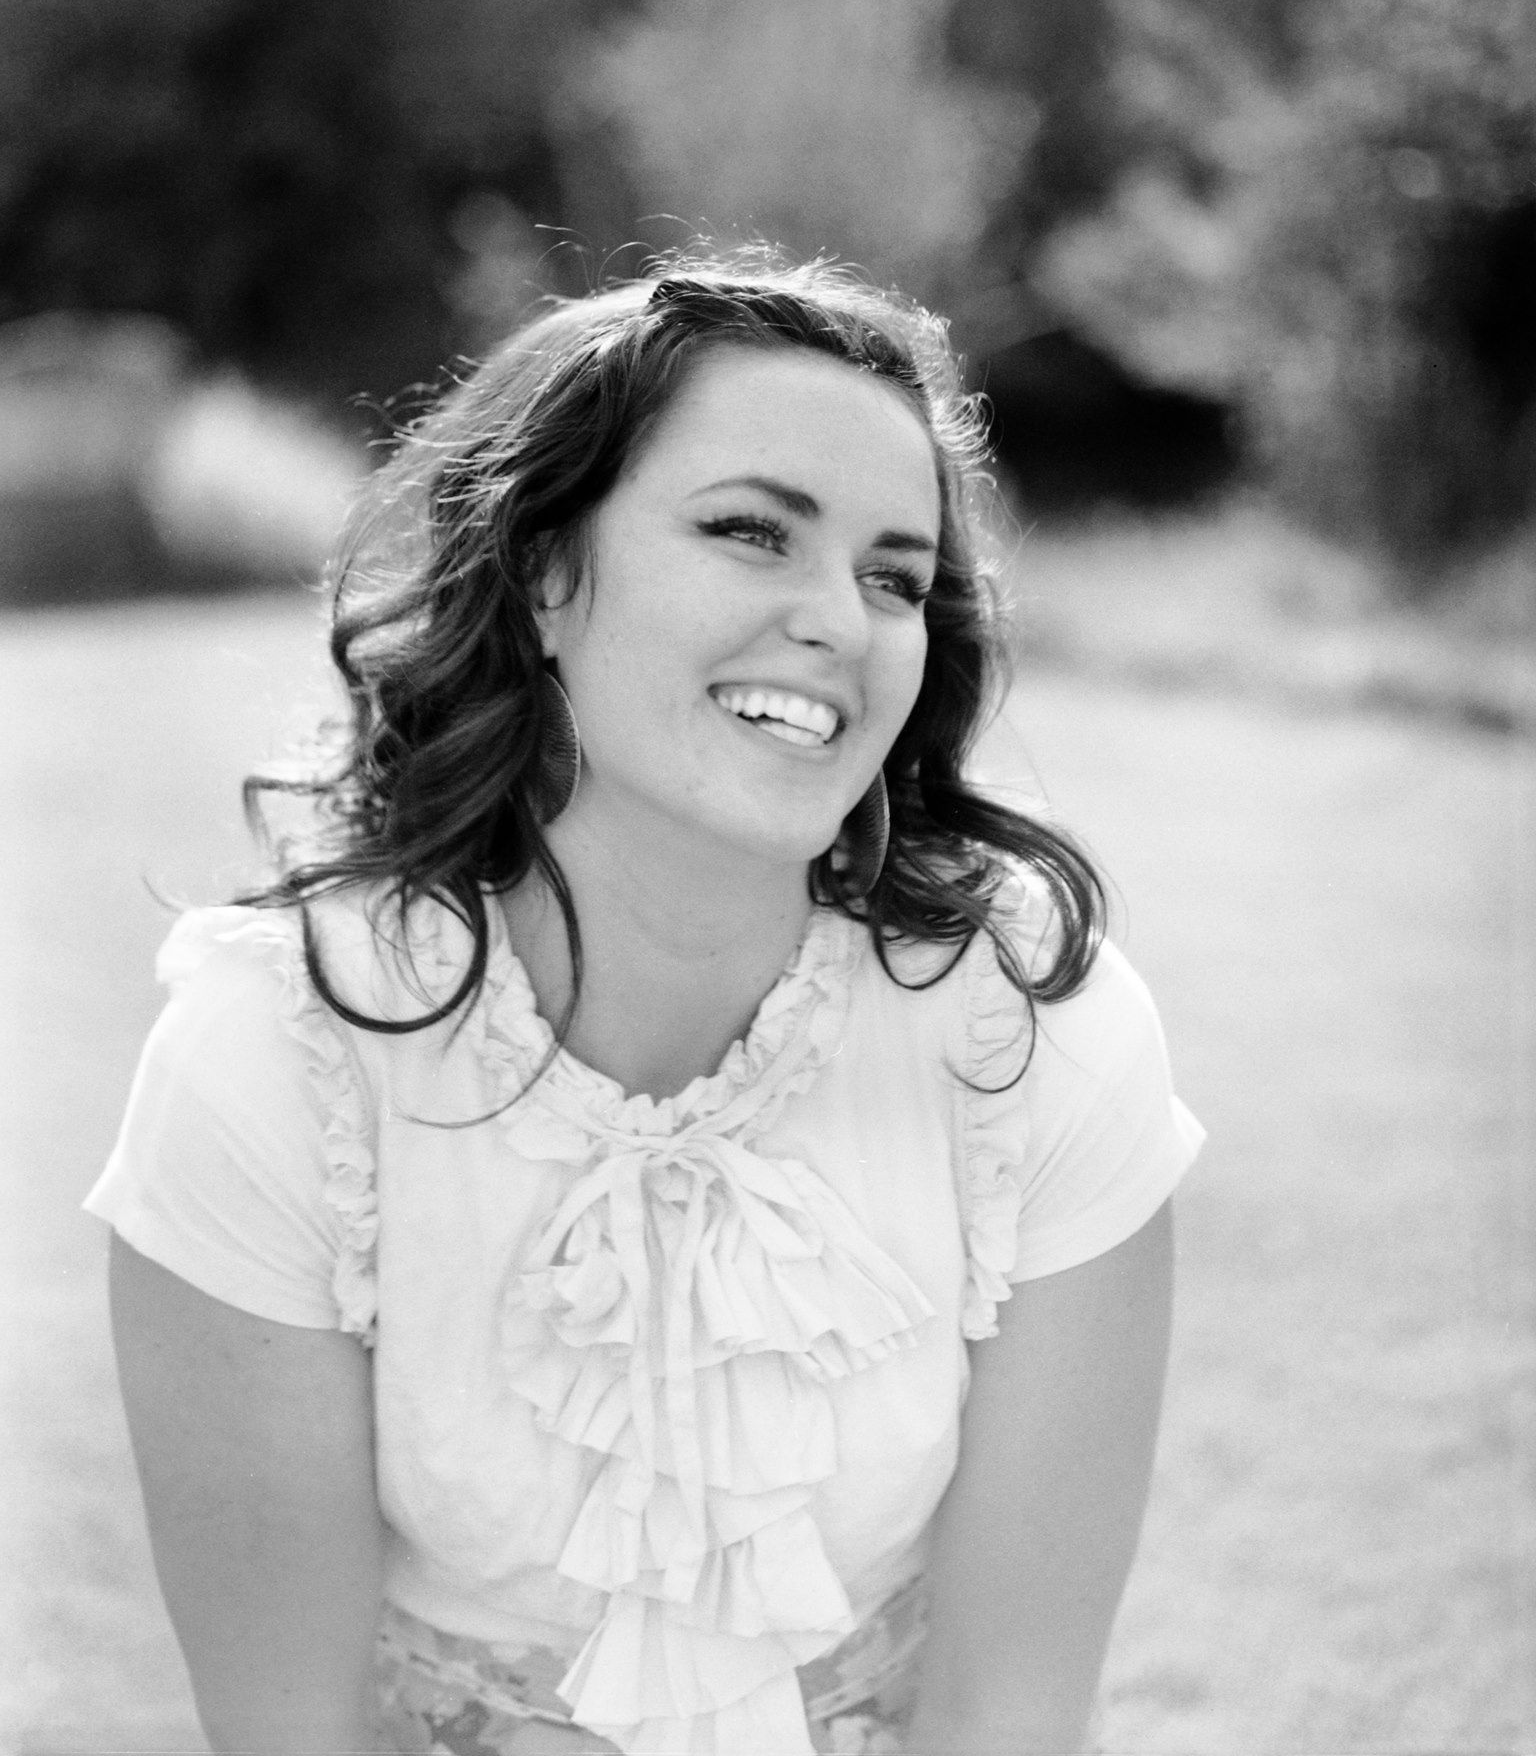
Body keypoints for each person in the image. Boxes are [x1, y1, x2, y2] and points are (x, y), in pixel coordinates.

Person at [88, 255, 1204, 1756]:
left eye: (893, 576)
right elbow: (287, 1725)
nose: (839, 622)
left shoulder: (1035, 1030)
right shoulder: (276, 1059)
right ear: (546, 572)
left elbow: (1010, 1710)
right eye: (753, 532)